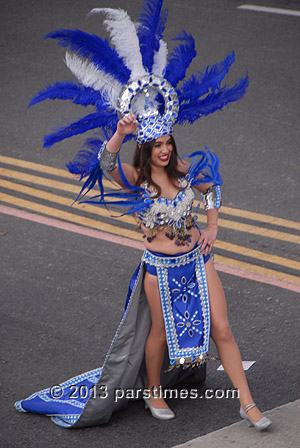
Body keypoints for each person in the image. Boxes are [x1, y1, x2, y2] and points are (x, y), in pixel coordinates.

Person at [15, 1, 271, 430]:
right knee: (156, 336)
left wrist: (212, 226)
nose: (166, 149)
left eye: (169, 142)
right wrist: (119, 132)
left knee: (222, 329)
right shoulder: (136, 179)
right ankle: (152, 392)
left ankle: (247, 404)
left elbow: (214, 189)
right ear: (147, 149)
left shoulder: (187, 170)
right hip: (160, 269)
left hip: (197, 261)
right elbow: (107, 166)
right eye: (158, 146)